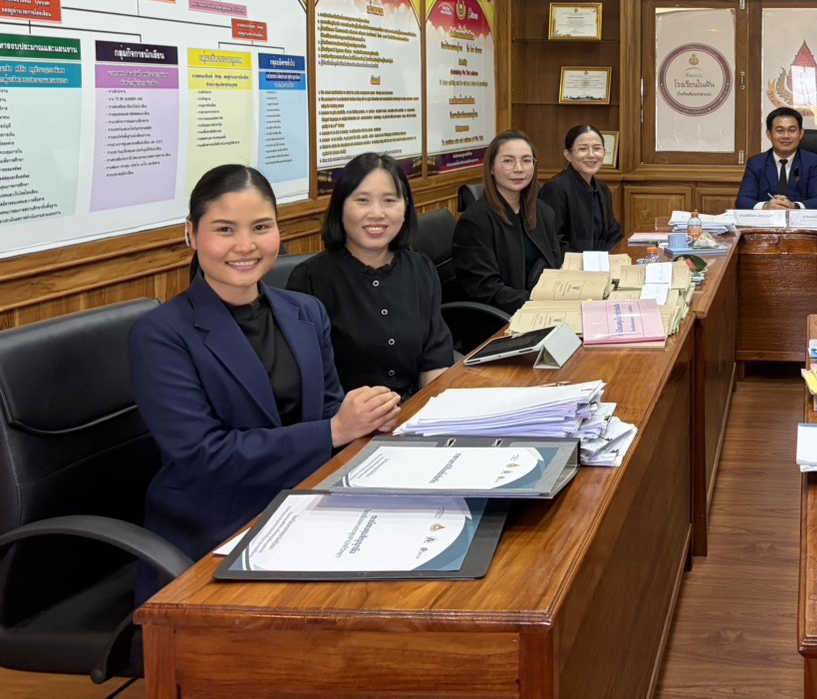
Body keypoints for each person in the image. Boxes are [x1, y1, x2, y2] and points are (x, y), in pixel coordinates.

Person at [130, 165, 400, 591]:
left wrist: (365, 417)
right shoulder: (161, 335)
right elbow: (205, 456)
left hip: (310, 502)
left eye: (260, 227)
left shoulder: (305, 312)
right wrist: (333, 431)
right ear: (190, 233)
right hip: (217, 530)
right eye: (224, 229)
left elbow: (329, 408)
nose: (245, 245)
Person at [287, 152, 453, 401]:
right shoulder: (309, 280)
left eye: (389, 200)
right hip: (346, 425)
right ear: (340, 207)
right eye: (362, 200)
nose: (377, 213)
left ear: (405, 207)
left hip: (414, 414)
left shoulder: (421, 268)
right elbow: (308, 384)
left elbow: (435, 360)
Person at [453, 130, 562, 312]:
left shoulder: (543, 212)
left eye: (526, 160)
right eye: (508, 161)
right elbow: (486, 289)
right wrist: (537, 303)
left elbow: (556, 264)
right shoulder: (475, 222)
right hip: (499, 319)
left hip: (542, 308)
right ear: (491, 167)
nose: (519, 168)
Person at [540, 124, 623, 253]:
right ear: (568, 155)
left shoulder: (602, 189)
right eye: (583, 149)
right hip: (569, 268)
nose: (591, 155)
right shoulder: (555, 189)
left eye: (597, 149)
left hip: (600, 266)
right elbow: (554, 241)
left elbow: (614, 235)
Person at [736, 106, 817, 210]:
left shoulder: (813, 162)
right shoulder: (756, 163)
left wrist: (794, 206)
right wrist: (765, 206)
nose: (786, 136)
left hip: (800, 224)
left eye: (792, 130)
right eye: (780, 131)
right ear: (769, 134)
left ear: (801, 133)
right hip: (767, 224)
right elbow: (743, 201)